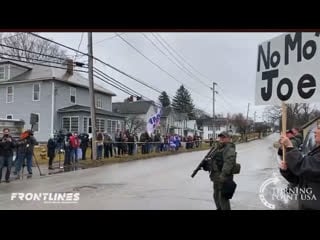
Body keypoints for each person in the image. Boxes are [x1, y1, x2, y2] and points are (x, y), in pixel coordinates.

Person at [279, 128, 320, 210]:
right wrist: (286, 171)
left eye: (319, 128)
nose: (315, 131)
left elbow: (303, 166)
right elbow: (300, 178)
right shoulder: (315, 152)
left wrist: (290, 148)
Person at [208, 131, 237, 210]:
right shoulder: (219, 148)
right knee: (216, 196)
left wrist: (223, 176)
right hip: (216, 177)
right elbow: (214, 160)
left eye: (223, 137)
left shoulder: (229, 148)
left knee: (222, 198)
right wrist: (207, 165)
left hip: (223, 177)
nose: (221, 139)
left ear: (228, 138)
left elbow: (229, 163)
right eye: (220, 137)